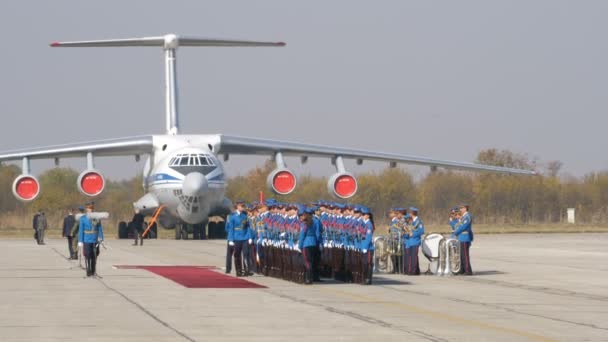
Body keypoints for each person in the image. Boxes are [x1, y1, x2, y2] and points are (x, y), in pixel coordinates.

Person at [78, 202, 104, 277]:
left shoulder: (97, 218)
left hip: (95, 238)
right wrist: (80, 241)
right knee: (87, 254)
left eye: (91, 209)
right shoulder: (83, 218)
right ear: (86, 209)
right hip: (87, 239)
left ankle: (93, 270)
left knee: (95, 255)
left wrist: (101, 237)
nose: (90, 210)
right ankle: (88, 270)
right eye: (89, 209)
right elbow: (81, 230)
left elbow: (99, 228)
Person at [226, 201, 251, 276]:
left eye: (243, 206)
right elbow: (231, 229)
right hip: (236, 238)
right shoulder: (233, 217)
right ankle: (238, 270)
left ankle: (247, 270)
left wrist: (249, 237)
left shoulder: (245, 216)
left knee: (246, 254)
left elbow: (248, 227)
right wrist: (230, 239)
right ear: (237, 206)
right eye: (240, 206)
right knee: (237, 255)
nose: (242, 207)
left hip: (245, 237)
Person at [298, 207, 320, 285]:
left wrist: (300, 245)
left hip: (306, 243)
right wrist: (318, 243)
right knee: (311, 261)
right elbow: (318, 234)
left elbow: (302, 235)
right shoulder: (315, 222)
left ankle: (308, 279)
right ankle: (311, 278)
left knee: (307, 262)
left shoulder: (305, 223)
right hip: (313, 243)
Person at [452, 204, 473, 275]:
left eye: (461, 208)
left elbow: (463, 226)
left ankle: (468, 270)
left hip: (464, 237)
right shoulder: (463, 217)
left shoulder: (467, 216)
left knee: (465, 255)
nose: (460, 209)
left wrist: (456, 232)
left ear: (465, 209)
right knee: (461, 255)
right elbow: (458, 225)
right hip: (461, 238)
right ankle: (462, 269)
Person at [406, 207, 424, 275]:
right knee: (411, 257)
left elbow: (421, 231)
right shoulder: (411, 222)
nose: (409, 214)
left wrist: (413, 234)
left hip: (415, 241)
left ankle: (413, 271)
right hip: (410, 241)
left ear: (412, 213)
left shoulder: (418, 221)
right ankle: (416, 270)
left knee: (414, 257)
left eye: (410, 212)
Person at [359, 207, 375, 285]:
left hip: (368, 248)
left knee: (368, 264)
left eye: (364, 214)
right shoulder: (364, 223)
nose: (362, 216)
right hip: (363, 246)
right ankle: (364, 278)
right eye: (362, 214)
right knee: (364, 263)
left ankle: (368, 279)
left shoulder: (369, 225)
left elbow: (368, 237)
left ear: (368, 215)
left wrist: (365, 247)